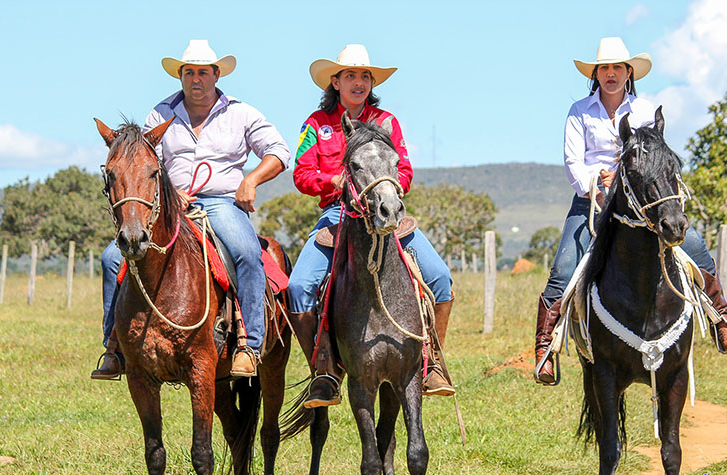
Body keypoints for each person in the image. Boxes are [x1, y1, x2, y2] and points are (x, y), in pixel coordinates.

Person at [533, 37, 727, 384]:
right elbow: (573, 162)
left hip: (642, 200)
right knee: (564, 267)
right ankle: (546, 349)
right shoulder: (579, 112)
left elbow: (657, 158)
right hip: (592, 201)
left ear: (629, 72)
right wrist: (595, 182)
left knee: (691, 243)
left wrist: (632, 179)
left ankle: (721, 319)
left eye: (618, 67)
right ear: (596, 74)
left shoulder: (645, 111)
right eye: (604, 68)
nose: (611, 74)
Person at [91, 40, 291, 380]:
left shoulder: (241, 113)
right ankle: (115, 349)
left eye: (202, 72)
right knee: (112, 258)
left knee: (245, 252)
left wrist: (251, 181)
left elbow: (279, 151)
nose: (195, 79)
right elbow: (145, 161)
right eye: (188, 73)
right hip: (172, 208)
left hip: (222, 201)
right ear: (180, 76)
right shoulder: (162, 113)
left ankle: (249, 346)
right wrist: (171, 192)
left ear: (216, 74)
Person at [288, 43, 455, 408]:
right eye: (350, 76)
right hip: (339, 215)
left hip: (387, 212)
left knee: (440, 278)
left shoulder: (387, 122)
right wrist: (332, 182)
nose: (359, 82)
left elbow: (405, 169)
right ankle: (325, 370)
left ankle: (434, 364)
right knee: (299, 286)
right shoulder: (315, 126)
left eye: (365, 76)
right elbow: (301, 174)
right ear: (335, 82)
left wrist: (388, 189)